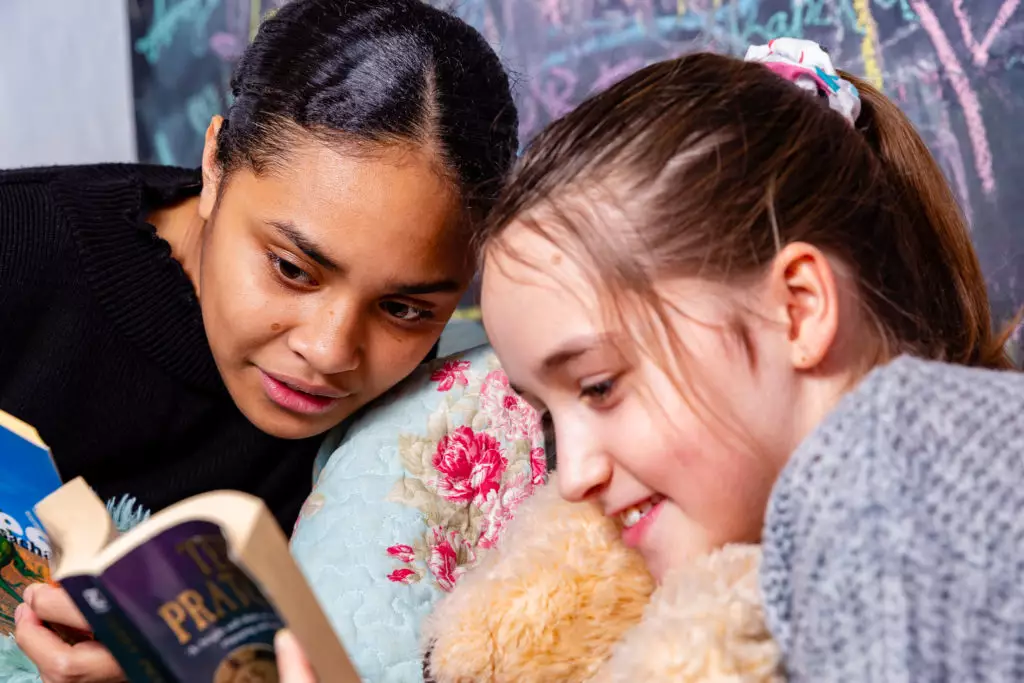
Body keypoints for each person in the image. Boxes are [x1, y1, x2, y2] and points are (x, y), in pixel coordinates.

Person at [478, 37, 1024, 678]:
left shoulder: (891, 509)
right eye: (547, 416)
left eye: (599, 387)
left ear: (798, 309)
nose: (573, 479)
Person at [5, 0, 517, 679]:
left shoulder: (434, 430)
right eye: (292, 268)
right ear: (215, 162)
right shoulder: (20, 248)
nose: (330, 351)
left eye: (403, 309)